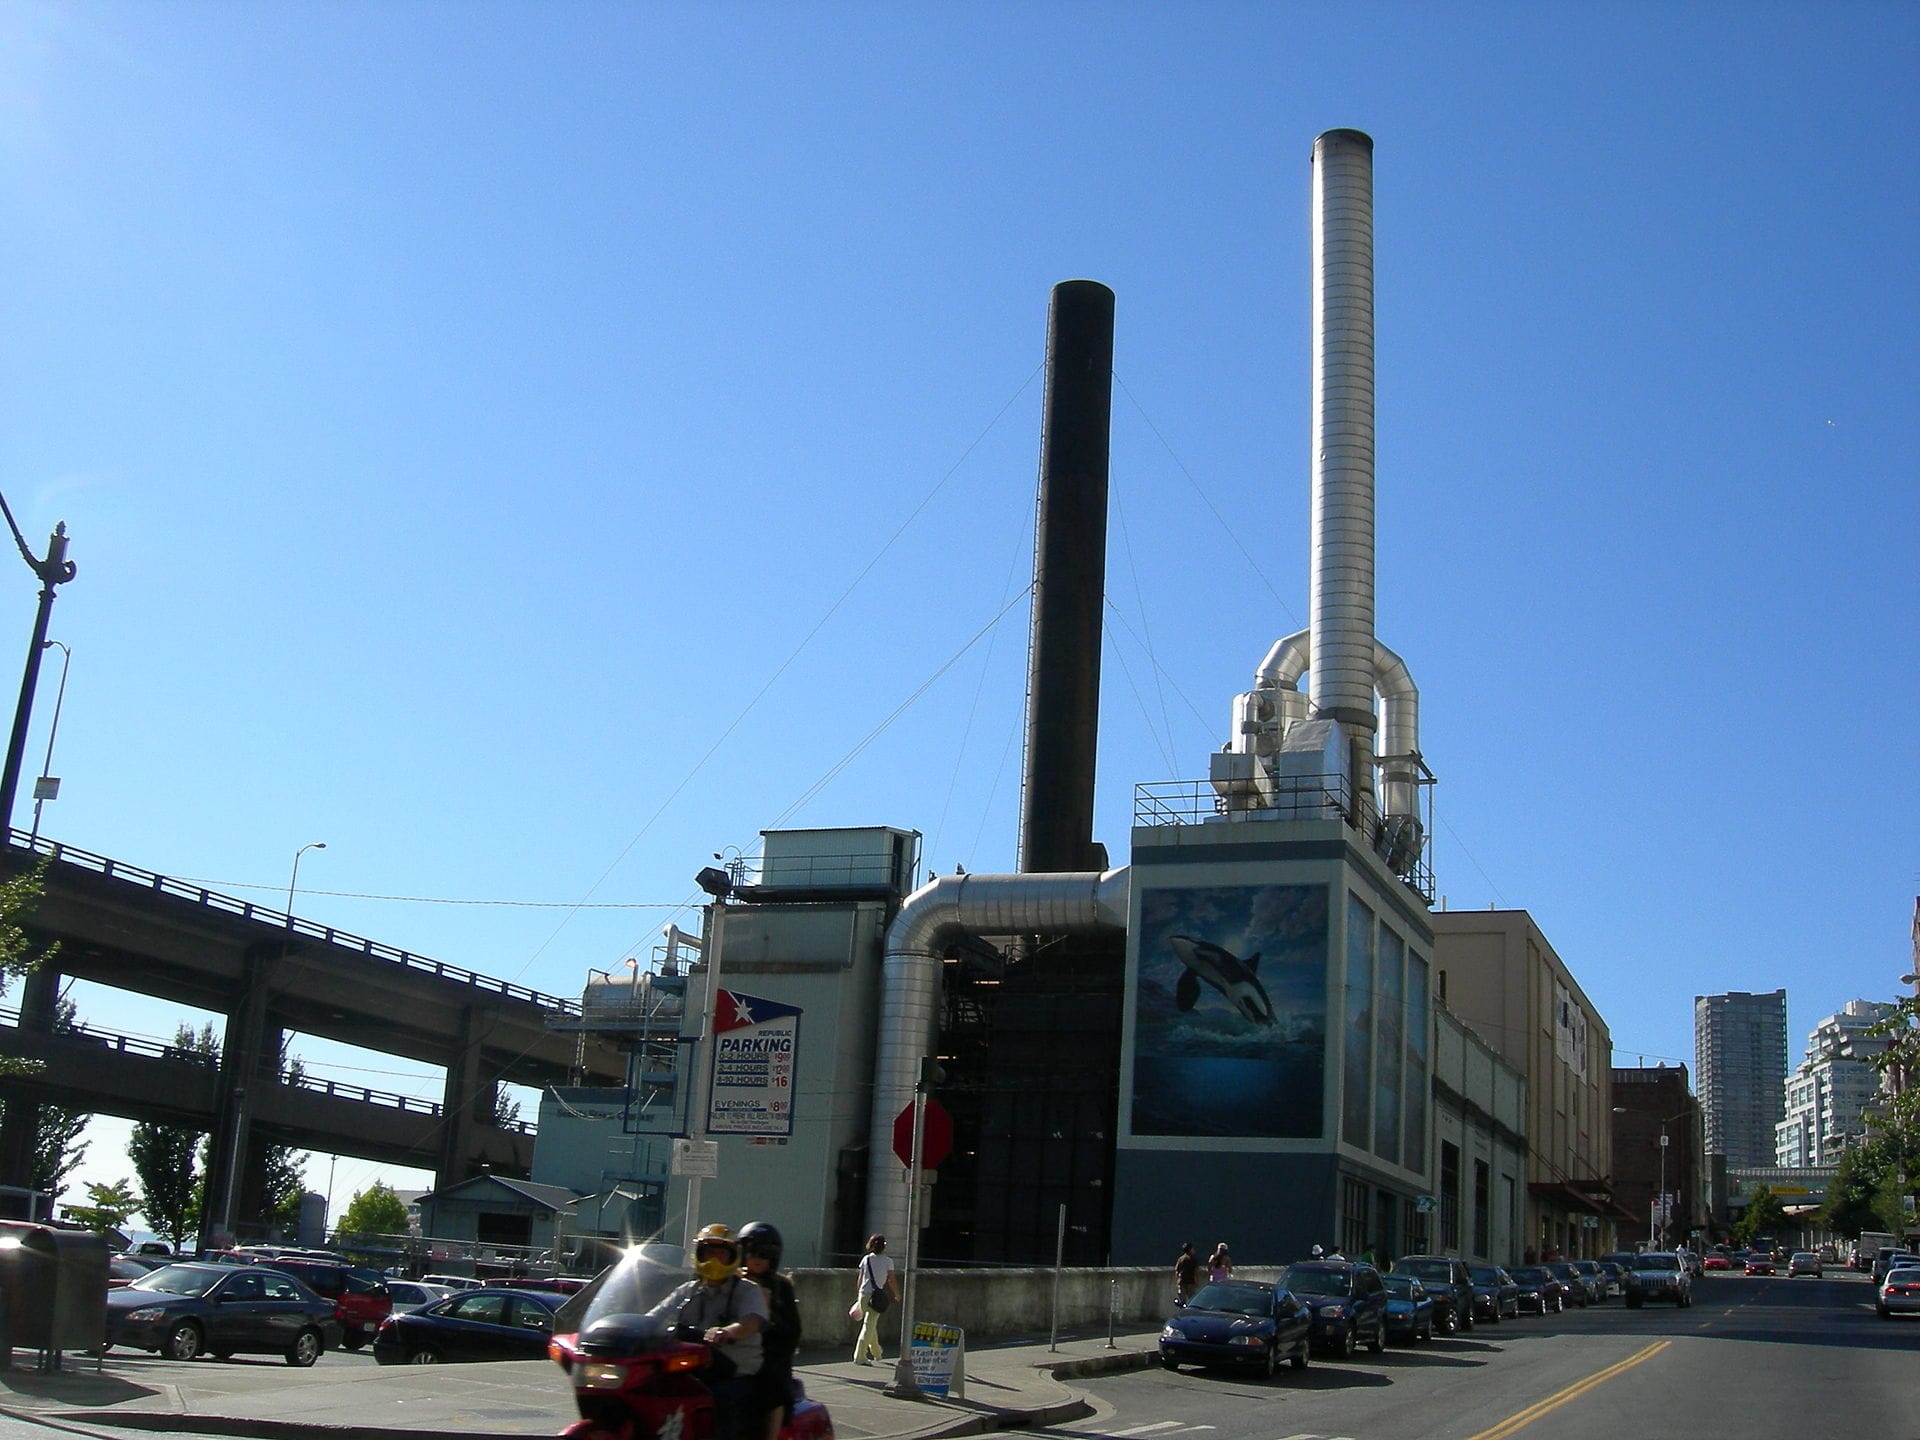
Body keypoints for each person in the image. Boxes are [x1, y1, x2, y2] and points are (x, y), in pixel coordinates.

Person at [645, 1223, 767, 1440]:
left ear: (732, 1257)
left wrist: (726, 1332)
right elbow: (655, 1317)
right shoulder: (688, 1291)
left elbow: (752, 1322)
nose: (714, 1259)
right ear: (699, 1254)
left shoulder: (748, 1290)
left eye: (721, 1253)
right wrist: (631, 1328)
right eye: (709, 1252)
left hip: (734, 1372)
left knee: (719, 1400)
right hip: (691, 1369)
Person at [740, 1221, 800, 1440]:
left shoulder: (780, 1287)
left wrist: (768, 1315)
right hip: (735, 1356)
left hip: (769, 1360)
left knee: (770, 1389)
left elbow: (792, 1333)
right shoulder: (734, 1282)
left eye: (763, 1254)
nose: (756, 1259)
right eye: (751, 1252)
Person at [852, 1233, 899, 1365]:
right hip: (876, 1296)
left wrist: (858, 1295)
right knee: (869, 1326)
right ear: (884, 1246)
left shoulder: (866, 1259)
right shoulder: (888, 1261)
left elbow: (860, 1279)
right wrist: (897, 1294)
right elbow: (891, 1280)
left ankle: (877, 1353)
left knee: (870, 1324)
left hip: (863, 1294)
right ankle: (860, 1356)